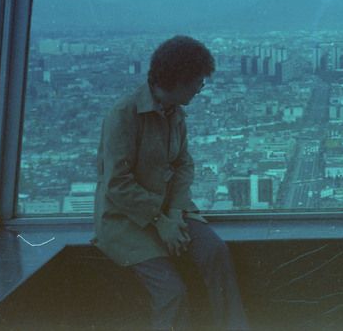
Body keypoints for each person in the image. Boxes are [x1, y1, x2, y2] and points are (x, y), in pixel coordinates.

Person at [92, 35, 249, 330]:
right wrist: (160, 220)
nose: (201, 87)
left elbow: (183, 165)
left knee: (216, 253)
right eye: (197, 81)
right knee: (171, 293)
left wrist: (175, 213)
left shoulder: (175, 111)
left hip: (169, 211)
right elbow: (117, 184)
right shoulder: (123, 115)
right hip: (127, 221)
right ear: (178, 79)